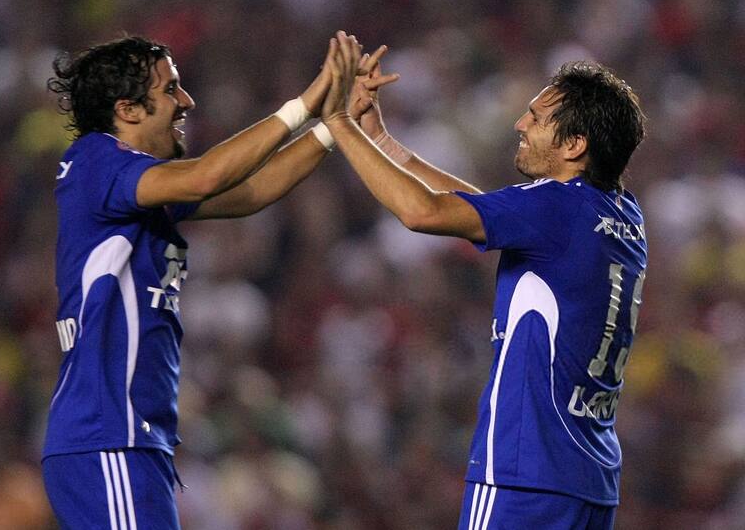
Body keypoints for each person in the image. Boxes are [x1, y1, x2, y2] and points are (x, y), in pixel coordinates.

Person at [41, 34, 395, 529]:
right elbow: (207, 176)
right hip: (108, 434)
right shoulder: (96, 160)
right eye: (170, 89)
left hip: (128, 439)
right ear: (128, 109)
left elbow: (251, 190)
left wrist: (334, 125)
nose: (186, 101)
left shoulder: (140, 186)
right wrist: (305, 104)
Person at [322, 32, 646, 530]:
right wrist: (381, 142)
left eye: (536, 118)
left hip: (524, 474)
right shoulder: (622, 215)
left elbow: (422, 212)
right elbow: (481, 209)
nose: (520, 124)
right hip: (588, 482)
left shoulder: (555, 208)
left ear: (574, 144)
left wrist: (338, 123)